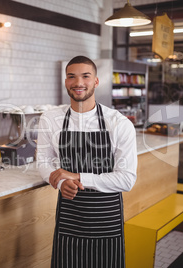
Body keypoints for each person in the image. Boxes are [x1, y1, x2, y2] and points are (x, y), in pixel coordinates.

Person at [37, 56, 137, 267]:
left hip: (106, 222)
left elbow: (126, 180)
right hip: (69, 219)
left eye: (85, 76)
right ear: (66, 82)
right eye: (71, 77)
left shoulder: (118, 123)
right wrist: (61, 182)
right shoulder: (50, 118)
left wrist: (77, 176)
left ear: (96, 81)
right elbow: (43, 162)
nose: (78, 83)